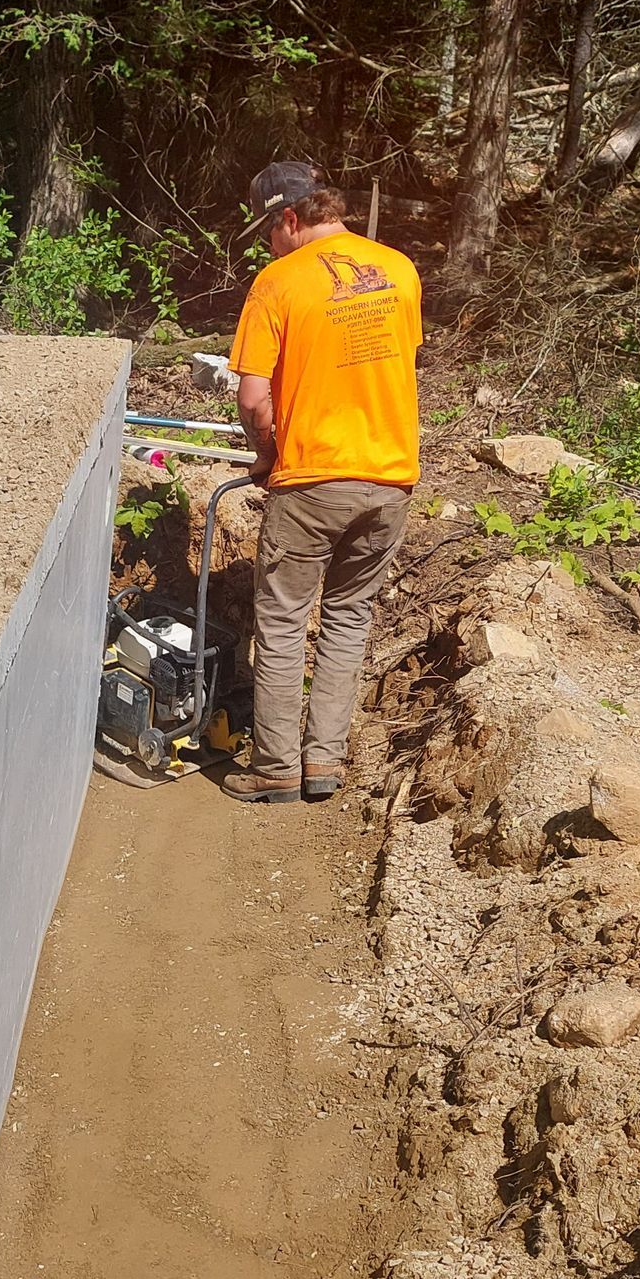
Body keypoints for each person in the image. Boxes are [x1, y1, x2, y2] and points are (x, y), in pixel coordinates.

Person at [222, 161, 422, 806]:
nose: (267, 246)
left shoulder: (277, 283)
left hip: (310, 478)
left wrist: (265, 455)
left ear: (288, 218)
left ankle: (275, 768)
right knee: (347, 619)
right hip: (389, 479)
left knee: (281, 623)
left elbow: (254, 400)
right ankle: (323, 767)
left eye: (267, 231)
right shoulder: (398, 269)